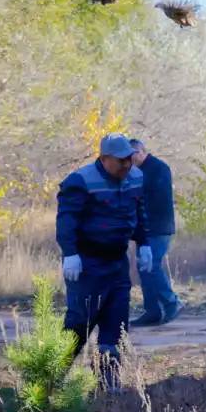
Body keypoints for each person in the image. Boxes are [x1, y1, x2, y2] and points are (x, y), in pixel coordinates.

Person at [56, 133, 152, 388]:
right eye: (120, 161)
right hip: (88, 264)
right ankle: (48, 383)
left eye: (129, 159)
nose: (126, 165)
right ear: (105, 158)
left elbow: (139, 212)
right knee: (79, 324)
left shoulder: (135, 178)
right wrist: (70, 253)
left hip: (117, 264)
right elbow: (67, 220)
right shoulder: (81, 181)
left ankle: (108, 386)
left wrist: (144, 243)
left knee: (116, 325)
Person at [129, 139, 182, 326]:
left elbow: (156, 199)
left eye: (134, 153)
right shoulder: (137, 171)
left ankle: (171, 302)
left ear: (142, 151)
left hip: (159, 226)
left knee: (152, 266)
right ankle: (152, 311)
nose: (131, 158)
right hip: (145, 228)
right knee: (144, 268)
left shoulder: (159, 168)